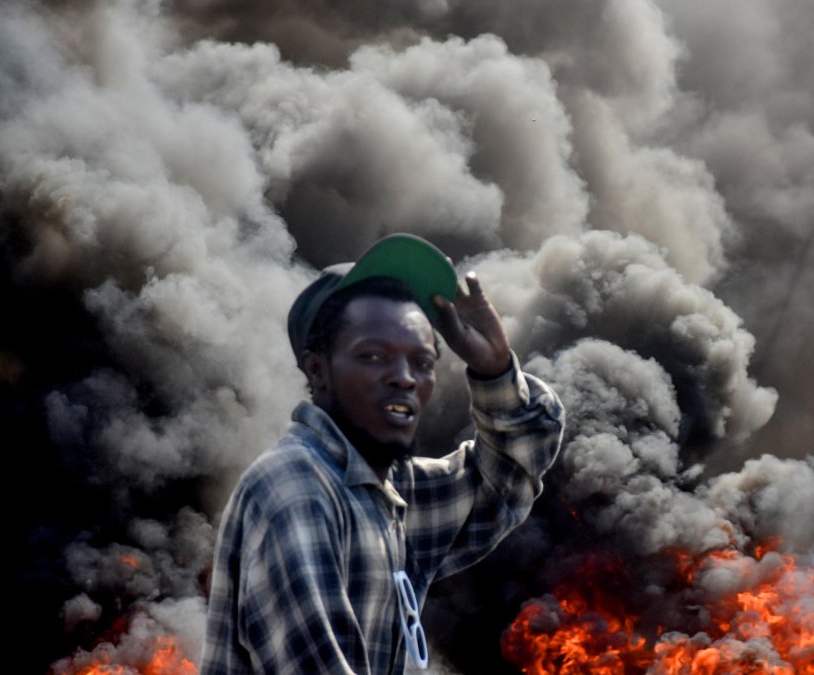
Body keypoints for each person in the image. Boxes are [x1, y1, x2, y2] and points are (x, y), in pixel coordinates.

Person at [200, 234, 565, 674]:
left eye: (423, 362)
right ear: (318, 370)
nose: (405, 378)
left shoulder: (389, 495)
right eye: (373, 356)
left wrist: (493, 370)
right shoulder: (294, 490)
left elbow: (510, 471)